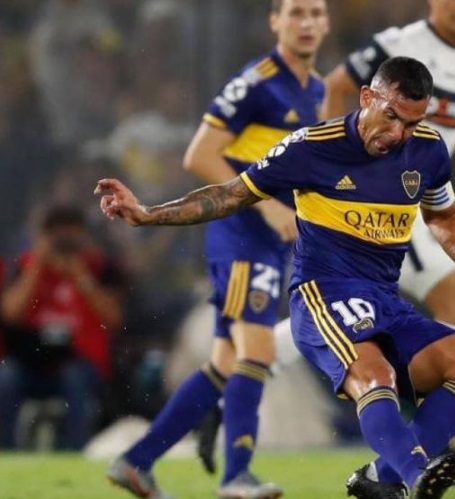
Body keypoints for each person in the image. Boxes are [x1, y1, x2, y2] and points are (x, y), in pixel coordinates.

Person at [97, 56, 455, 499]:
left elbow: (441, 213)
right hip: (325, 295)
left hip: (386, 300)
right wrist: (148, 214)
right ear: (367, 98)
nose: (398, 134)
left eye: (412, 123)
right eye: (391, 116)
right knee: (373, 376)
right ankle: (416, 477)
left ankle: (382, 478)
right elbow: (230, 195)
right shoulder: (310, 147)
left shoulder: (428, 149)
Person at [274, 0, 455, 489]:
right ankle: (414, 444)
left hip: (416, 200)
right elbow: (337, 86)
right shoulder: (398, 44)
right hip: (375, 205)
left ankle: (398, 454)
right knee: (378, 337)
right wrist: (347, 163)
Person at [104, 1, 329, 497]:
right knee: (258, 351)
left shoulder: (314, 89)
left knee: (226, 362)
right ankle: (236, 477)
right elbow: (200, 155)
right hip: (243, 233)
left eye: (316, 13)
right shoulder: (256, 82)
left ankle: (136, 461)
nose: (307, 23)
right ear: (275, 21)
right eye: (296, 13)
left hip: (269, 239)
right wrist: (268, 208)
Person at [0, 205, 124, 450]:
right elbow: (10, 313)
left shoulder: (99, 267)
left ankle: (76, 451)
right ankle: (5, 453)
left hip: (79, 362)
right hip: (29, 364)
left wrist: (80, 276)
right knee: (5, 378)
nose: (64, 245)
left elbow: (113, 318)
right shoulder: (25, 266)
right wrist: (36, 267)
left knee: (75, 378)